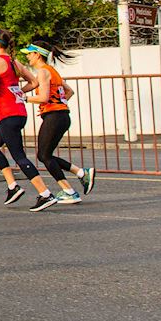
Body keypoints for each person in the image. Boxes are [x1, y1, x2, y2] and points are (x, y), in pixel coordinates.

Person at [0, 30, 56, 212]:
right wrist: (20, 93)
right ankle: (13, 186)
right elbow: (34, 82)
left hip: (8, 114)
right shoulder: (15, 62)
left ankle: (45, 194)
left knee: (19, 156)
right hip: (18, 113)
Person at [22, 41, 96, 203]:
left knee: (43, 155)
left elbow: (44, 97)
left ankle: (69, 191)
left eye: (29, 53)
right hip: (61, 116)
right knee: (45, 155)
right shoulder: (51, 71)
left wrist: (25, 98)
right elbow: (69, 91)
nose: (27, 56)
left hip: (55, 117)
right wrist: (54, 106)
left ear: (37, 54)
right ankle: (81, 173)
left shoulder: (42, 72)